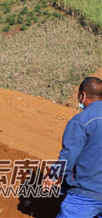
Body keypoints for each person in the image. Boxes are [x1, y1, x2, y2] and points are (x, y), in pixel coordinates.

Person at [42, 77, 102, 218]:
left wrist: (52, 175)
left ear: (82, 95)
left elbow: (69, 154)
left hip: (86, 195)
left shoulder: (82, 121)